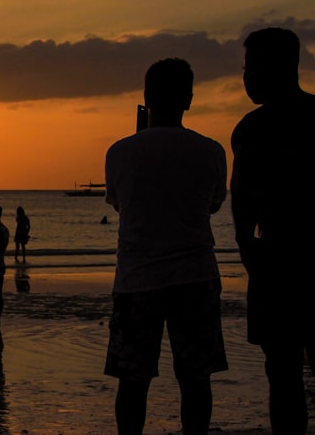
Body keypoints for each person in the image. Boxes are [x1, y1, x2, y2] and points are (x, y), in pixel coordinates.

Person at [104, 58, 227, 435]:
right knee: (195, 378)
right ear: (188, 100)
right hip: (195, 277)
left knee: (133, 381)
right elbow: (213, 204)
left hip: (137, 280)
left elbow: (119, 203)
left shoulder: (119, 152)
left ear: (146, 98)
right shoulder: (211, 151)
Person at [231, 27, 315, 434]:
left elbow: (242, 207)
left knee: (283, 375)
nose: (244, 78)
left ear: (270, 69)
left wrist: (251, 257)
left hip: (278, 261)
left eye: (248, 68)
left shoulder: (253, 128)